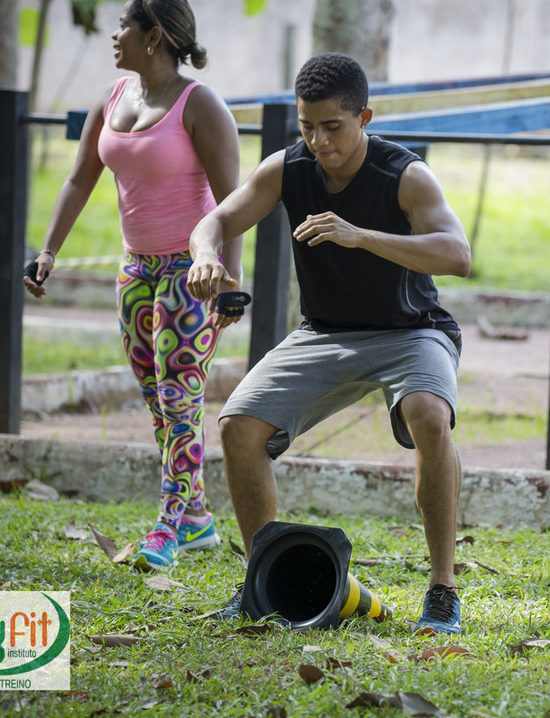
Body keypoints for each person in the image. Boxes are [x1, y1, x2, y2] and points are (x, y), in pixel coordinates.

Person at [186, 52, 471, 635]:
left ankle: (442, 590)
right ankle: (261, 583)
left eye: (332, 127)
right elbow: (214, 221)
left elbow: (456, 254)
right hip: (324, 332)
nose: (318, 141)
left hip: (412, 331)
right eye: (307, 126)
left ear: (364, 117)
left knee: (428, 415)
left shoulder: (405, 175)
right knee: (238, 427)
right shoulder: (287, 168)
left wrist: (360, 236)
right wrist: (206, 254)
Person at [23, 0, 243, 572]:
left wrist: (230, 281)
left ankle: (167, 526)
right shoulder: (113, 97)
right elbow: (79, 179)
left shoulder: (200, 106)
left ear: (154, 37)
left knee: (179, 396)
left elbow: (233, 203)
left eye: (123, 25)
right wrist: (48, 251)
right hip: (135, 270)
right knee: (156, 399)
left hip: (191, 273)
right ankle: (197, 519)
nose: (114, 35)